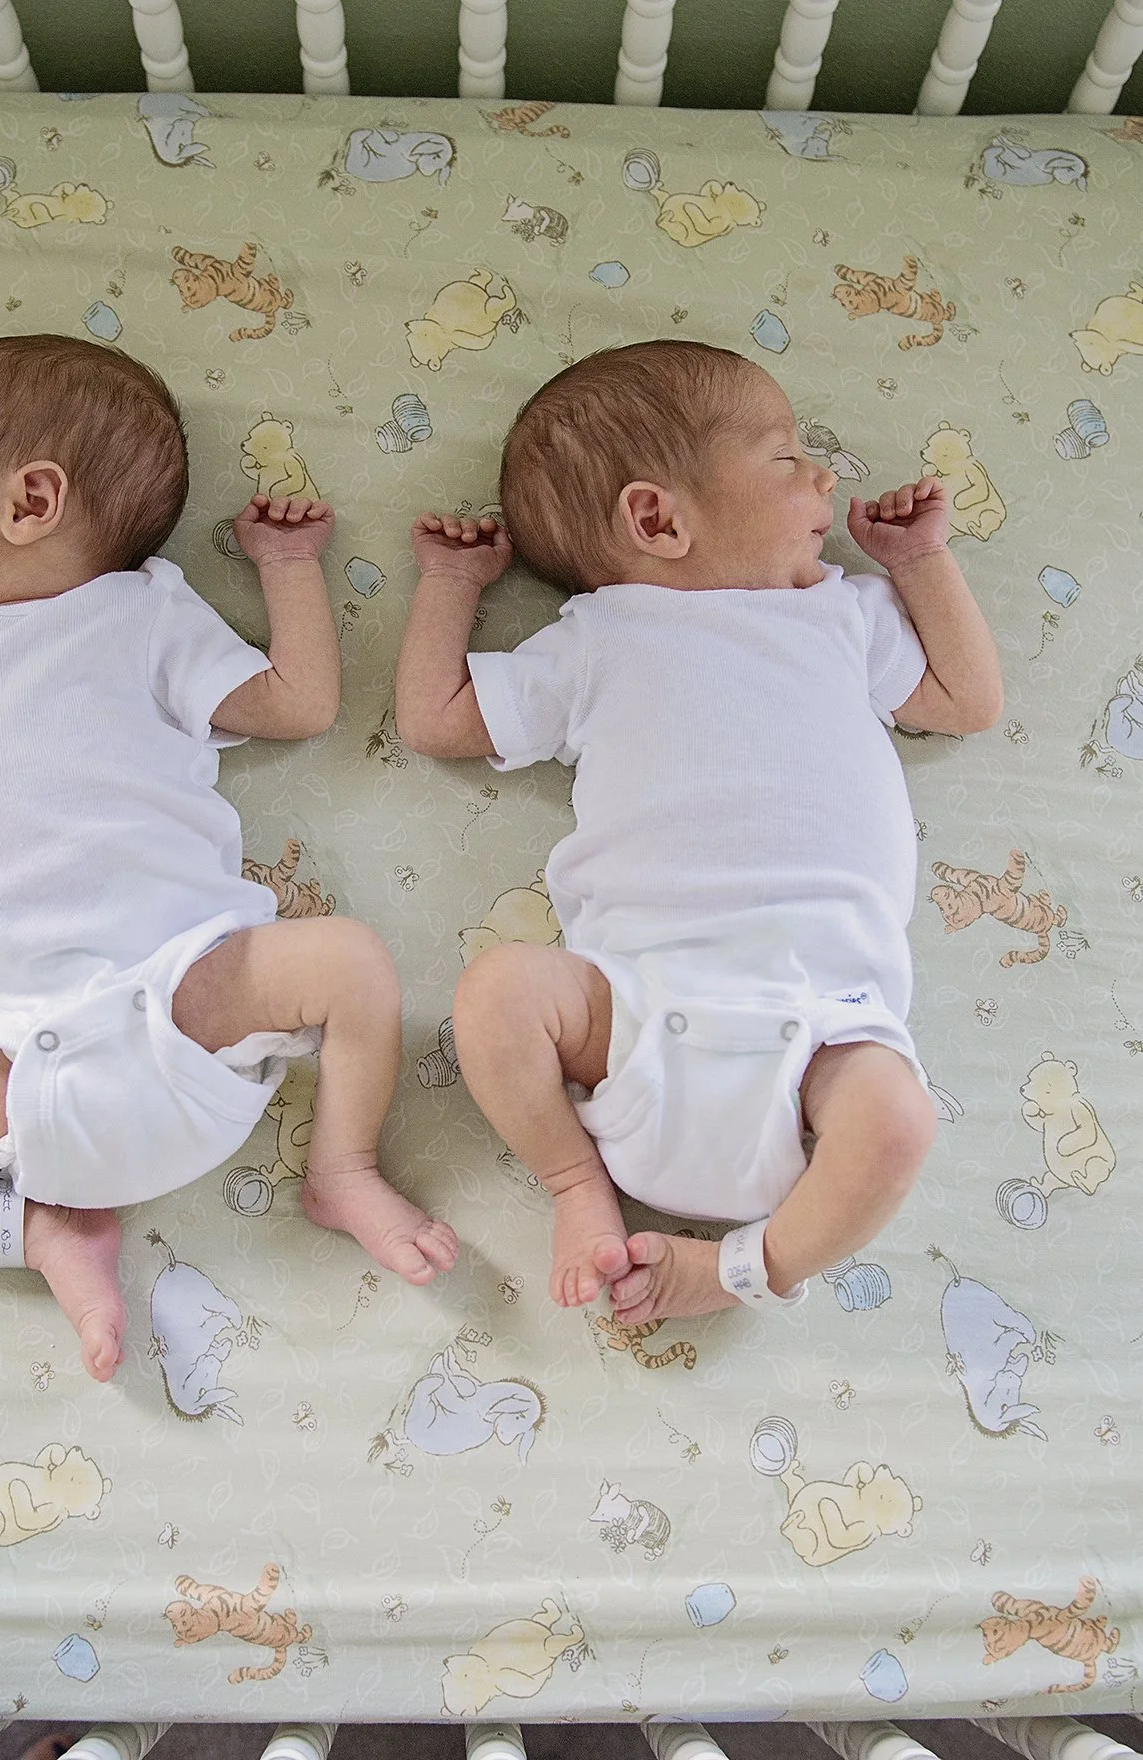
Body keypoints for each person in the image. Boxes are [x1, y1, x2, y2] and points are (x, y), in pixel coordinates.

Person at [0, 333, 457, 1382]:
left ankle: (343, 1166)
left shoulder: (139, 612)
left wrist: (290, 570)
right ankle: (40, 1234)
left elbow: (294, 702)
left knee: (347, 960)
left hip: (176, 988)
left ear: (28, 502)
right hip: (1, 1052)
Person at [394, 339, 1001, 1322]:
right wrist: (448, 588)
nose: (824, 476)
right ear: (656, 517)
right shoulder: (601, 637)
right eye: (784, 459)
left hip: (820, 1023)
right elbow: (437, 716)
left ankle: (746, 1269)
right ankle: (573, 1180)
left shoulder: (841, 613)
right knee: (498, 991)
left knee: (897, 1119)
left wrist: (924, 564)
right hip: (632, 1006)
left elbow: (964, 698)